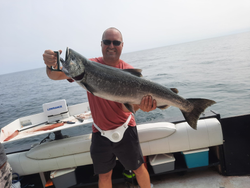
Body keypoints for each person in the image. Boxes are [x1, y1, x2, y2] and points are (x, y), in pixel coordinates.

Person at [43, 27, 156, 188]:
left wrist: (141, 106)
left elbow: (126, 109)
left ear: (122, 45)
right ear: (101, 44)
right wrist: (50, 65)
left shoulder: (129, 73)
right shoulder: (89, 65)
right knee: (104, 175)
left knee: (138, 168)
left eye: (116, 42)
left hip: (125, 129)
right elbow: (55, 75)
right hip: (100, 132)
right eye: (107, 42)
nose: (111, 45)